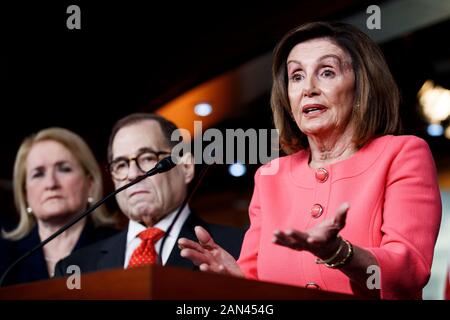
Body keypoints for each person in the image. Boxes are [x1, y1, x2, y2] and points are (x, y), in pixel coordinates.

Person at [177, 21, 442, 299]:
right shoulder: (270, 175)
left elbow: (409, 270)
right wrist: (237, 280)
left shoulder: (401, 154)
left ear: (362, 87)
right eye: (296, 76)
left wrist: (340, 253)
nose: (309, 88)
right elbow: (257, 287)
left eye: (327, 72)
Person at [55, 113, 244, 275]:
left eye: (147, 158)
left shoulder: (239, 248)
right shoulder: (75, 268)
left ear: (186, 166)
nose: (132, 174)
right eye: (120, 165)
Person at [1, 128, 118, 285]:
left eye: (64, 169)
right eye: (38, 174)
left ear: (90, 184)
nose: (51, 184)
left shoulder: (120, 247)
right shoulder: (4, 254)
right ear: (25, 194)